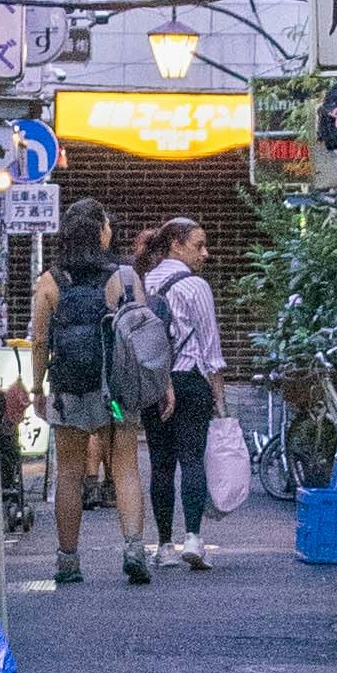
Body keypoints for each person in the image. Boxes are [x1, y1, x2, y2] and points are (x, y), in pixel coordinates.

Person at [26, 205, 150, 585]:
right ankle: (133, 548)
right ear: (101, 233)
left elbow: (40, 341)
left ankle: (68, 560)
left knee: (70, 473)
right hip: (117, 388)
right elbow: (143, 338)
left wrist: (37, 388)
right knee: (125, 466)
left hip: (70, 386)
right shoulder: (124, 277)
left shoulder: (48, 281)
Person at [136, 218, 229, 571]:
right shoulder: (195, 286)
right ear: (176, 243)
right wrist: (220, 400)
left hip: (154, 382)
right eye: (198, 245)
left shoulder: (145, 281)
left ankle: (162, 545)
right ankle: (192, 537)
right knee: (192, 458)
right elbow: (211, 350)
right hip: (190, 381)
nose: (205, 253)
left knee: (160, 464)